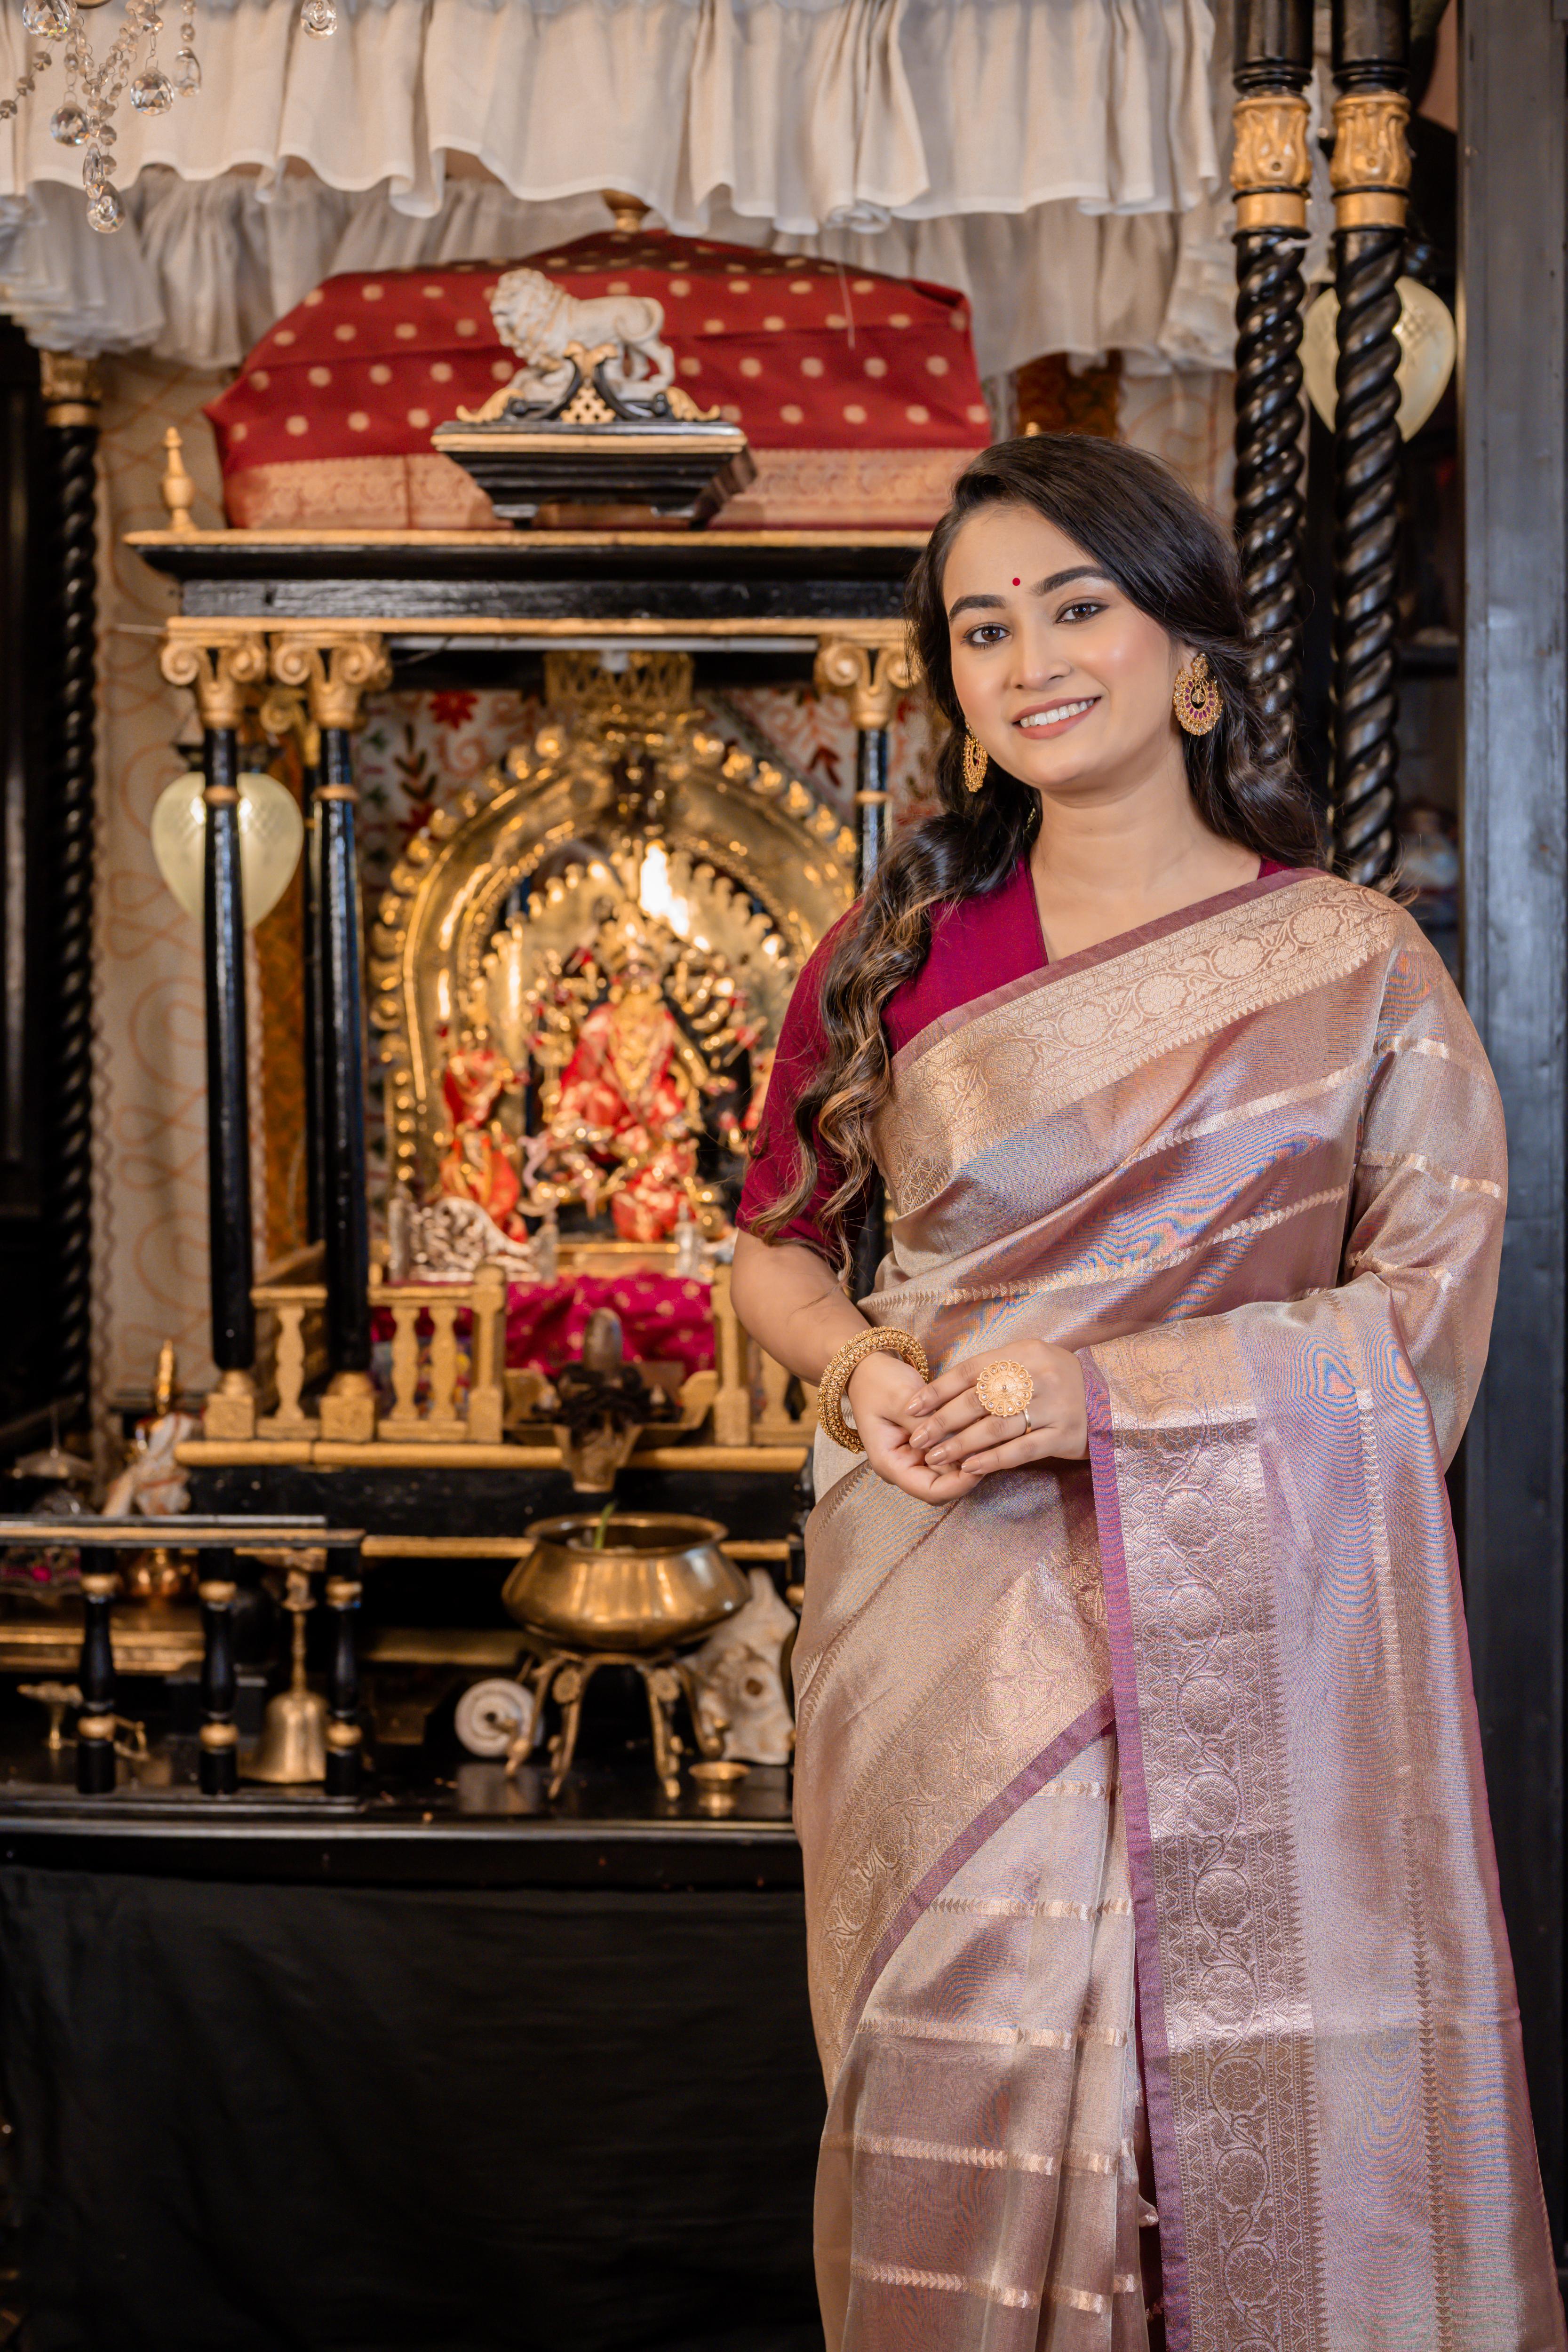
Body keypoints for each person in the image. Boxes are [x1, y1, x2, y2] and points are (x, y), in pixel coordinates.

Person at [731, 435, 1563, 2352]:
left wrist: (1103, 1395)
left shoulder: (1354, 966)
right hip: (942, 1616)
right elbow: (774, 1251)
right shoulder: (897, 953)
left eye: (1077, 606)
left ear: (1191, 654)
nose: (1029, 659)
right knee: (963, 2079)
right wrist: (861, 1370)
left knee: (1231, 2109)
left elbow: (1425, 1321)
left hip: (1249, 1629)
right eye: (981, 627)